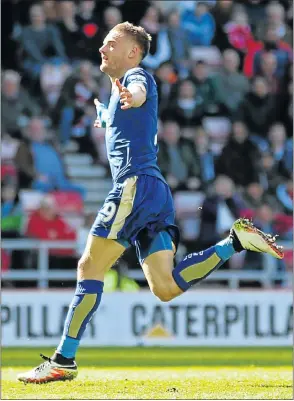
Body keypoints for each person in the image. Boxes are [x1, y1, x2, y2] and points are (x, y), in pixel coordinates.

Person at [18, 21, 284, 384]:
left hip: (135, 186)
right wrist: (108, 118)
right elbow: (132, 121)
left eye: (111, 43)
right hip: (155, 191)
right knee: (165, 287)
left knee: (88, 267)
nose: (102, 48)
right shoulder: (119, 91)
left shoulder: (136, 76)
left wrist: (134, 96)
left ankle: (64, 360)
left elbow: (140, 89)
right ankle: (234, 242)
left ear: (132, 52)